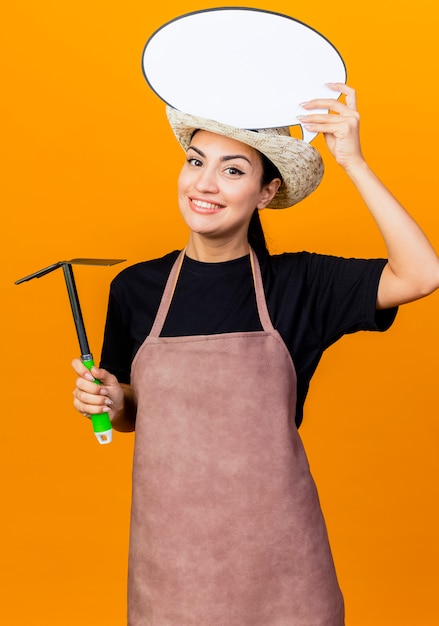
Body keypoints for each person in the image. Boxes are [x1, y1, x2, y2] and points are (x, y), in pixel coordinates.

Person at [72, 84, 439, 625]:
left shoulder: (301, 283)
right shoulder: (135, 288)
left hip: (285, 569)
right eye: (196, 161)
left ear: (266, 193)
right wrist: (108, 398)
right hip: (173, 567)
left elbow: (422, 274)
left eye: (233, 170)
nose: (204, 183)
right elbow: (129, 415)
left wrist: (354, 162)